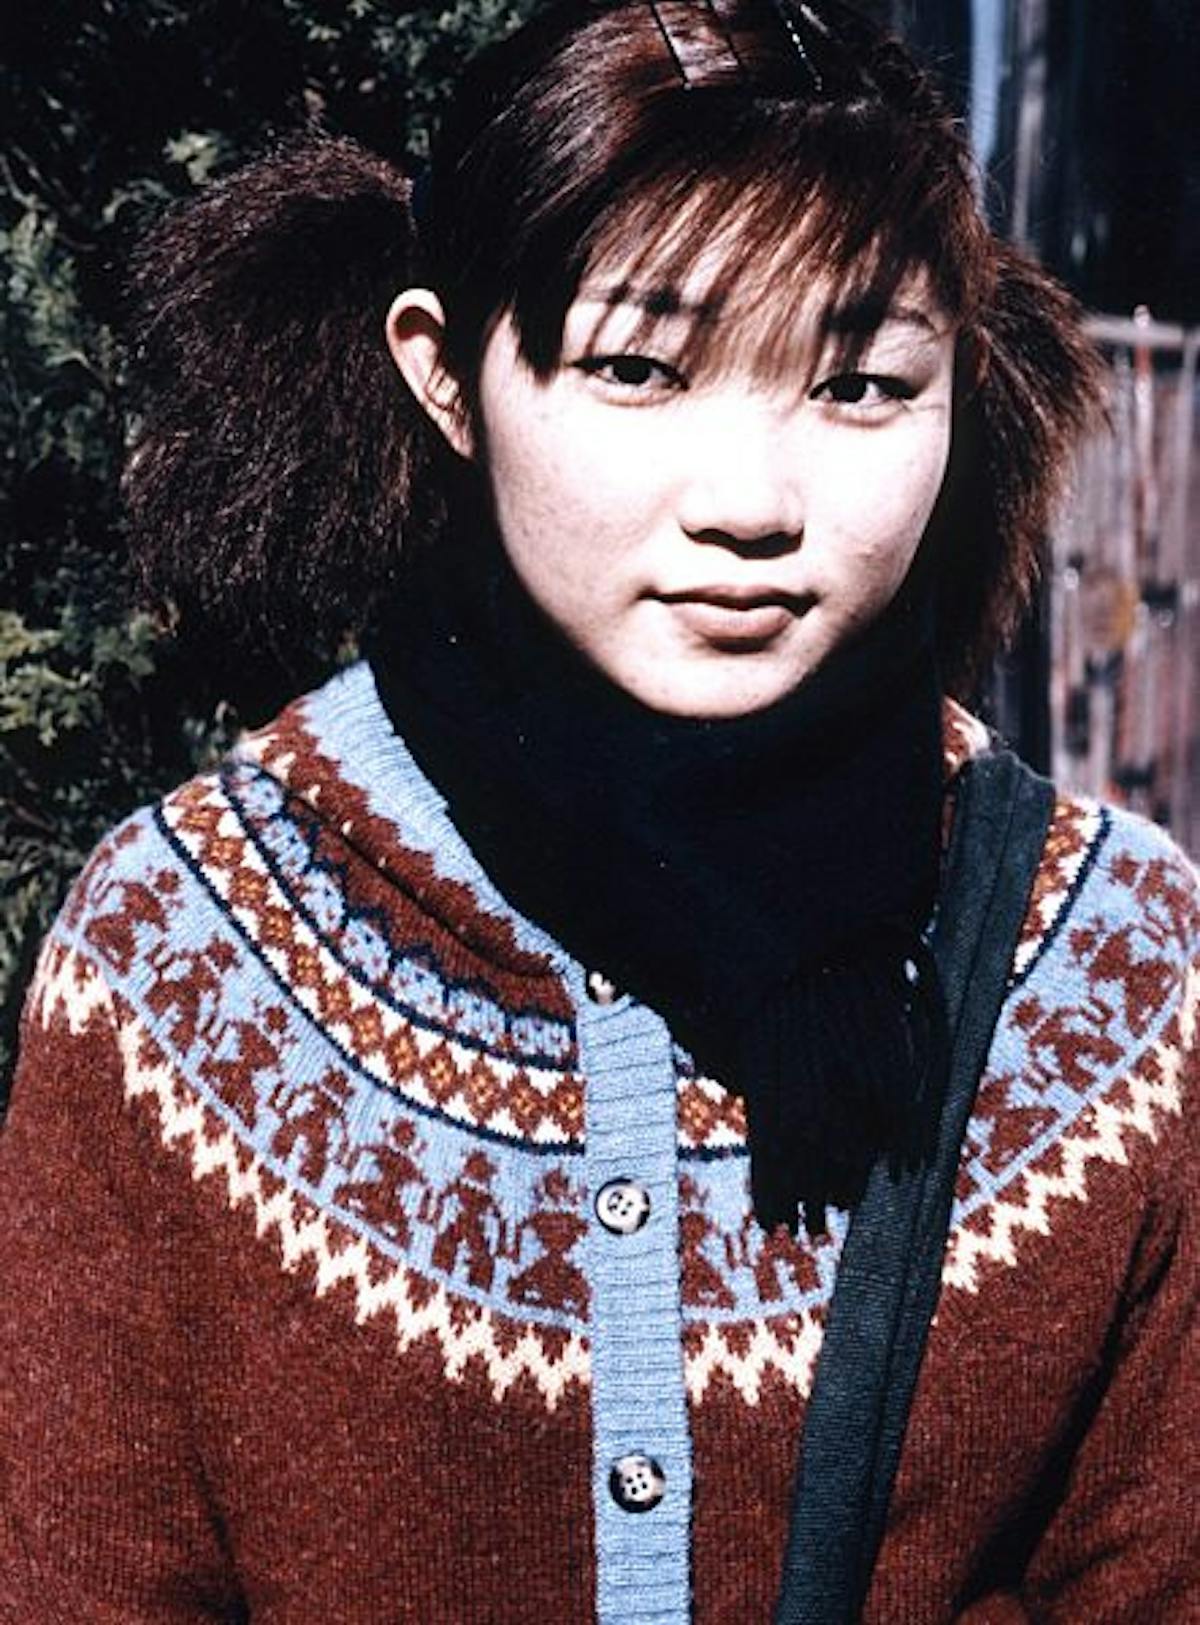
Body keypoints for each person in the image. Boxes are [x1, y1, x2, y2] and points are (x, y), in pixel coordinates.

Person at [1, 1, 1195, 1620]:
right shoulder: (176, 960)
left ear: (961, 386)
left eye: (860, 384)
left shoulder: (1120, 967)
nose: (752, 505)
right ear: (447, 374)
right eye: (639, 368)